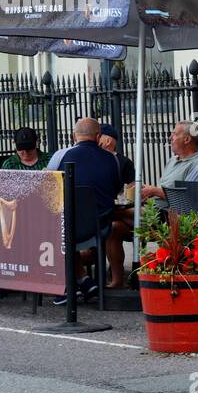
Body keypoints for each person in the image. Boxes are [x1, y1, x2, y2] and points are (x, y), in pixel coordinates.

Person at [52, 118, 123, 304]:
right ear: (98, 136)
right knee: (66, 229)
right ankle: (84, 280)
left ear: (74, 136)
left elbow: (52, 188)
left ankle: (69, 285)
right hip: (101, 226)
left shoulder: (62, 156)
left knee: (58, 229)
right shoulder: (112, 159)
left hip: (68, 225)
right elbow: (116, 189)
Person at [97, 124, 137, 289]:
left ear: (106, 140)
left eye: (97, 136)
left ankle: (116, 279)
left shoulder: (123, 162)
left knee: (114, 223)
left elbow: (132, 188)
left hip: (116, 209)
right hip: (109, 211)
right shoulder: (95, 160)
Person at [140, 121, 198, 210]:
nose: (170, 137)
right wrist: (147, 191)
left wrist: (154, 191)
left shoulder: (197, 164)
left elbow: (188, 199)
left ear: (187, 139)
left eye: (175, 134)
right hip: (152, 208)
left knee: (116, 212)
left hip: (166, 213)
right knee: (116, 222)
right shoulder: (172, 160)